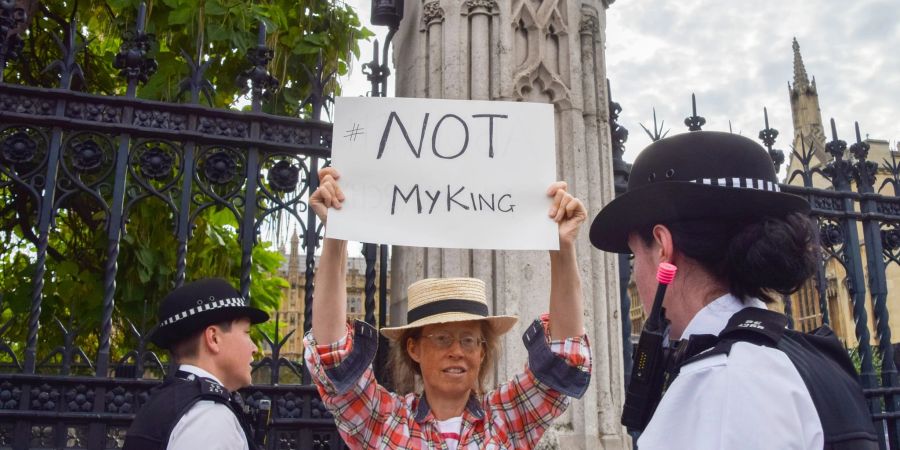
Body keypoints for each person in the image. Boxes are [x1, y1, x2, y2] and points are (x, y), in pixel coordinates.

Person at [589, 131, 878, 449]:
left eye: (634, 257)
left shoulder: (719, 381)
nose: (635, 272)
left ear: (662, 248)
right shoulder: (815, 358)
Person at [303, 167, 592, 449]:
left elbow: (563, 358)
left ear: (481, 351)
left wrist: (563, 247)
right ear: (413, 348)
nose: (457, 351)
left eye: (468, 339)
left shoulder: (506, 418)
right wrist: (336, 235)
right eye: (442, 338)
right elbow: (333, 356)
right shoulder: (383, 419)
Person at [124, 278, 269, 450]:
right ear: (214, 338)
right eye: (247, 333)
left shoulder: (166, 402)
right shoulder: (209, 418)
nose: (254, 348)